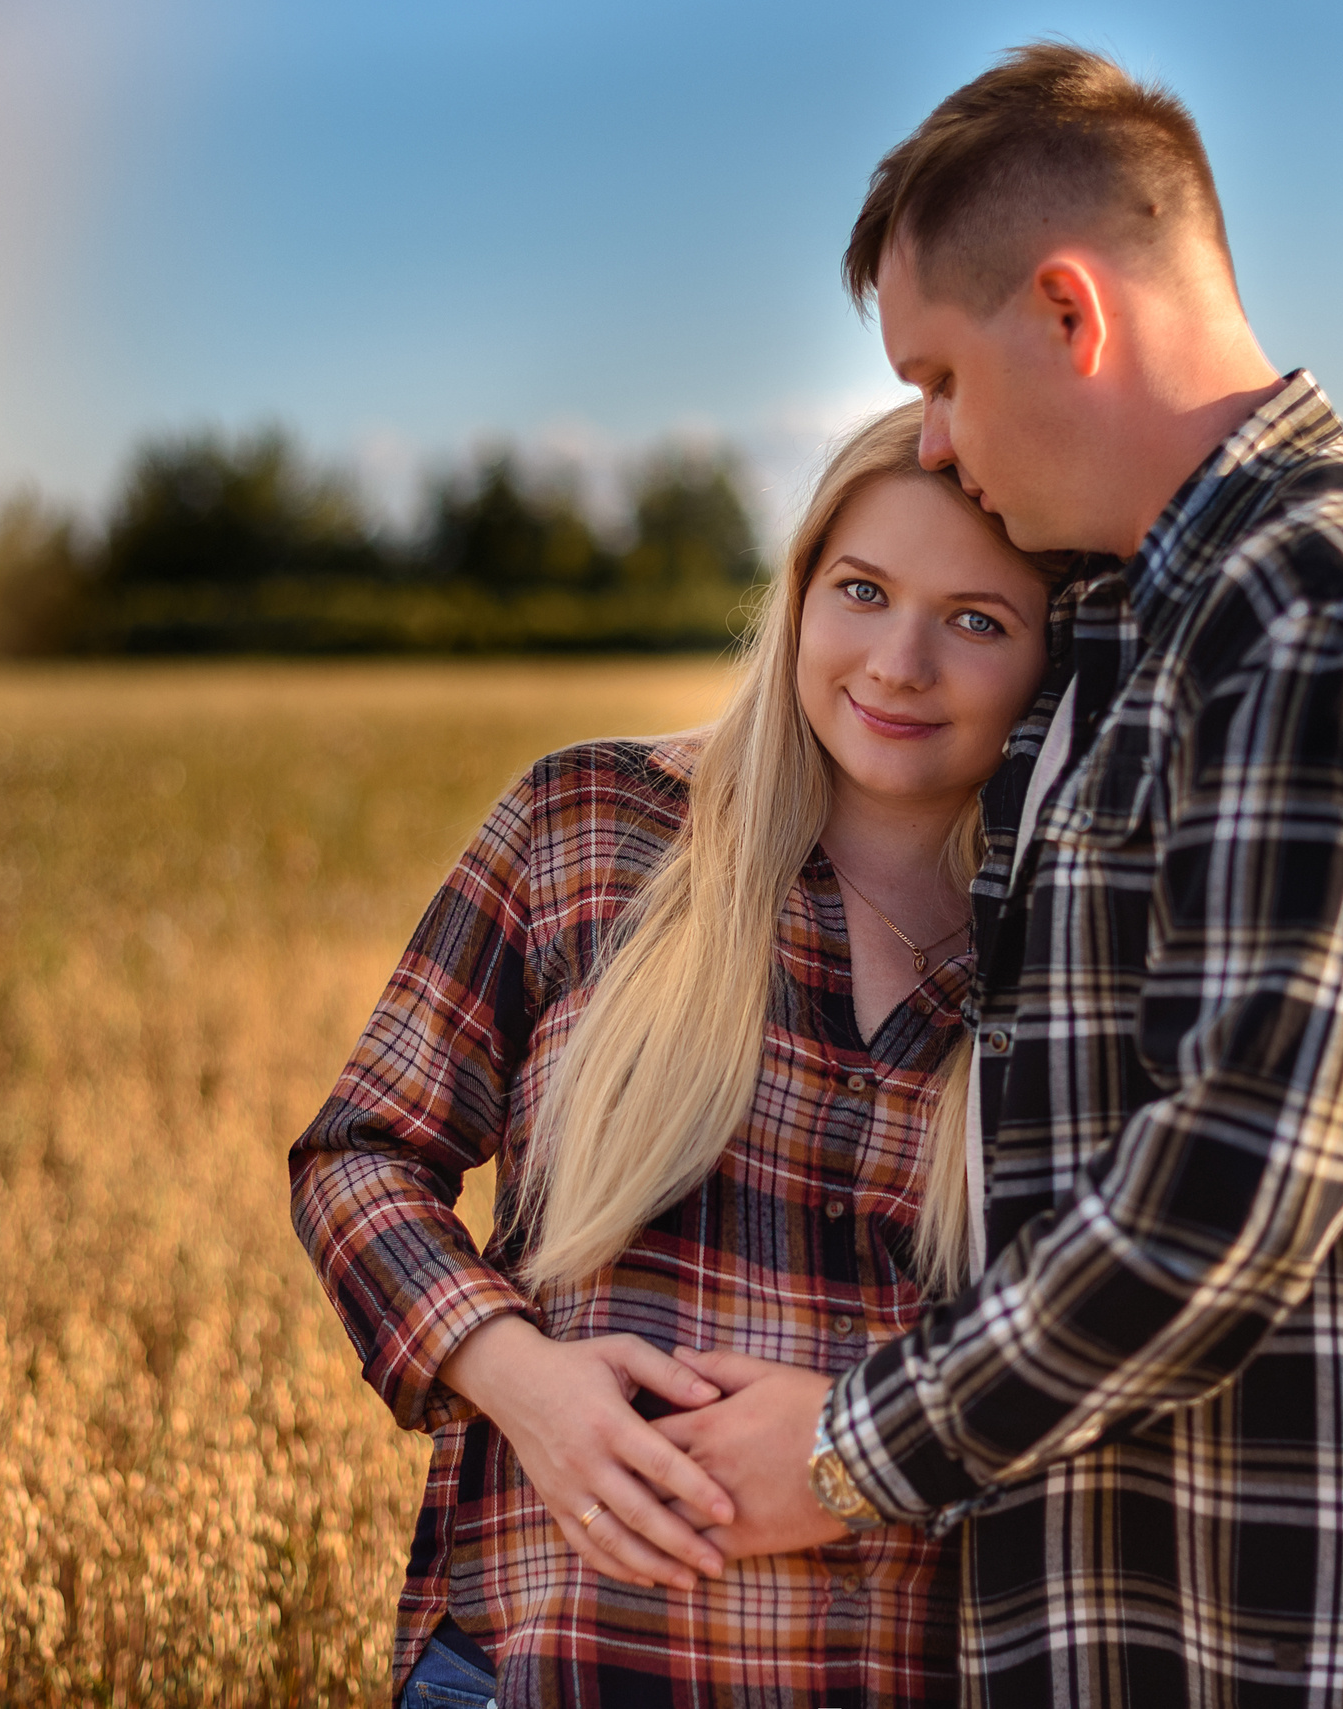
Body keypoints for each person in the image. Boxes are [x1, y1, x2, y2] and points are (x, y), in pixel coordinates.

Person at [653, 44, 1343, 1708]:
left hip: (1341, 1637)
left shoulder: (1341, 612)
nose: (933, 440)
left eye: (943, 377)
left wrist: (838, 1453)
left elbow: (1232, 1188)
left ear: (1069, 311)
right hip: (1157, 1618)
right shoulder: (1131, 623)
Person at [289, 403, 1073, 1707]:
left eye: (977, 620)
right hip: (534, 1661)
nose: (898, 662)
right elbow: (361, 1152)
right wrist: (519, 1376)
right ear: (800, 591)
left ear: (1051, 661)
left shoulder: (1071, 952)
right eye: (862, 591)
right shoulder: (592, 821)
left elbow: (1103, 1338)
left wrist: (860, 1451)